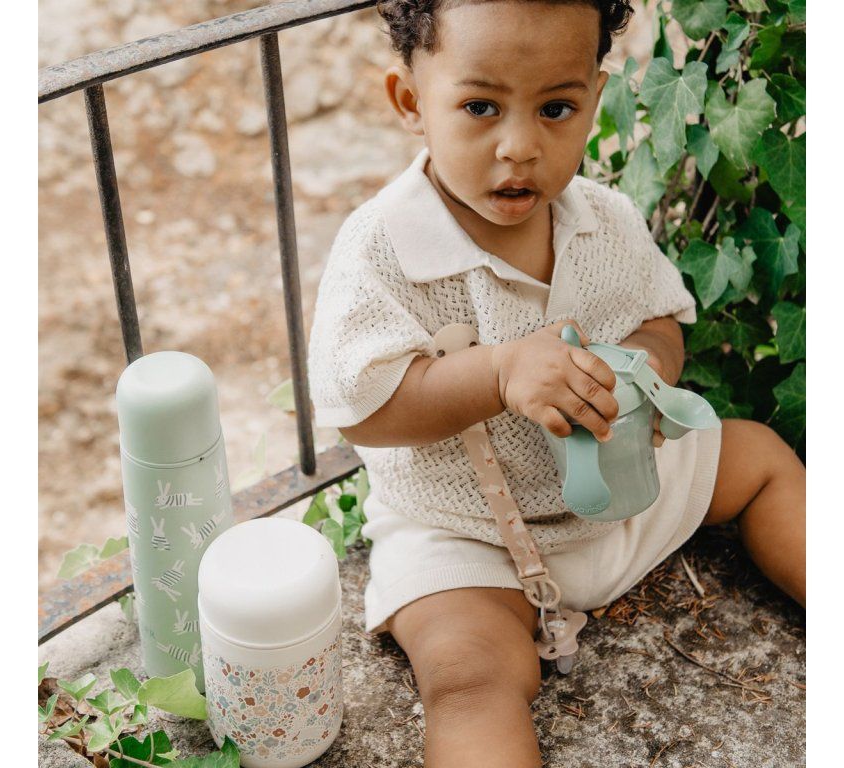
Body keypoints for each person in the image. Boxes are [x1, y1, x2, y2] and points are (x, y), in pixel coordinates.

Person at [306, 1, 806, 765]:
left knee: (759, 458)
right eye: (480, 107)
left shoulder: (603, 219)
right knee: (470, 678)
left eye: (555, 109)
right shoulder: (383, 249)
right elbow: (365, 408)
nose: (520, 146)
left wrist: (642, 368)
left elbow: (661, 319)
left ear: (595, 99)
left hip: (621, 490)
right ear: (411, 101)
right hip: (465, 533)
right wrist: (498, 371)